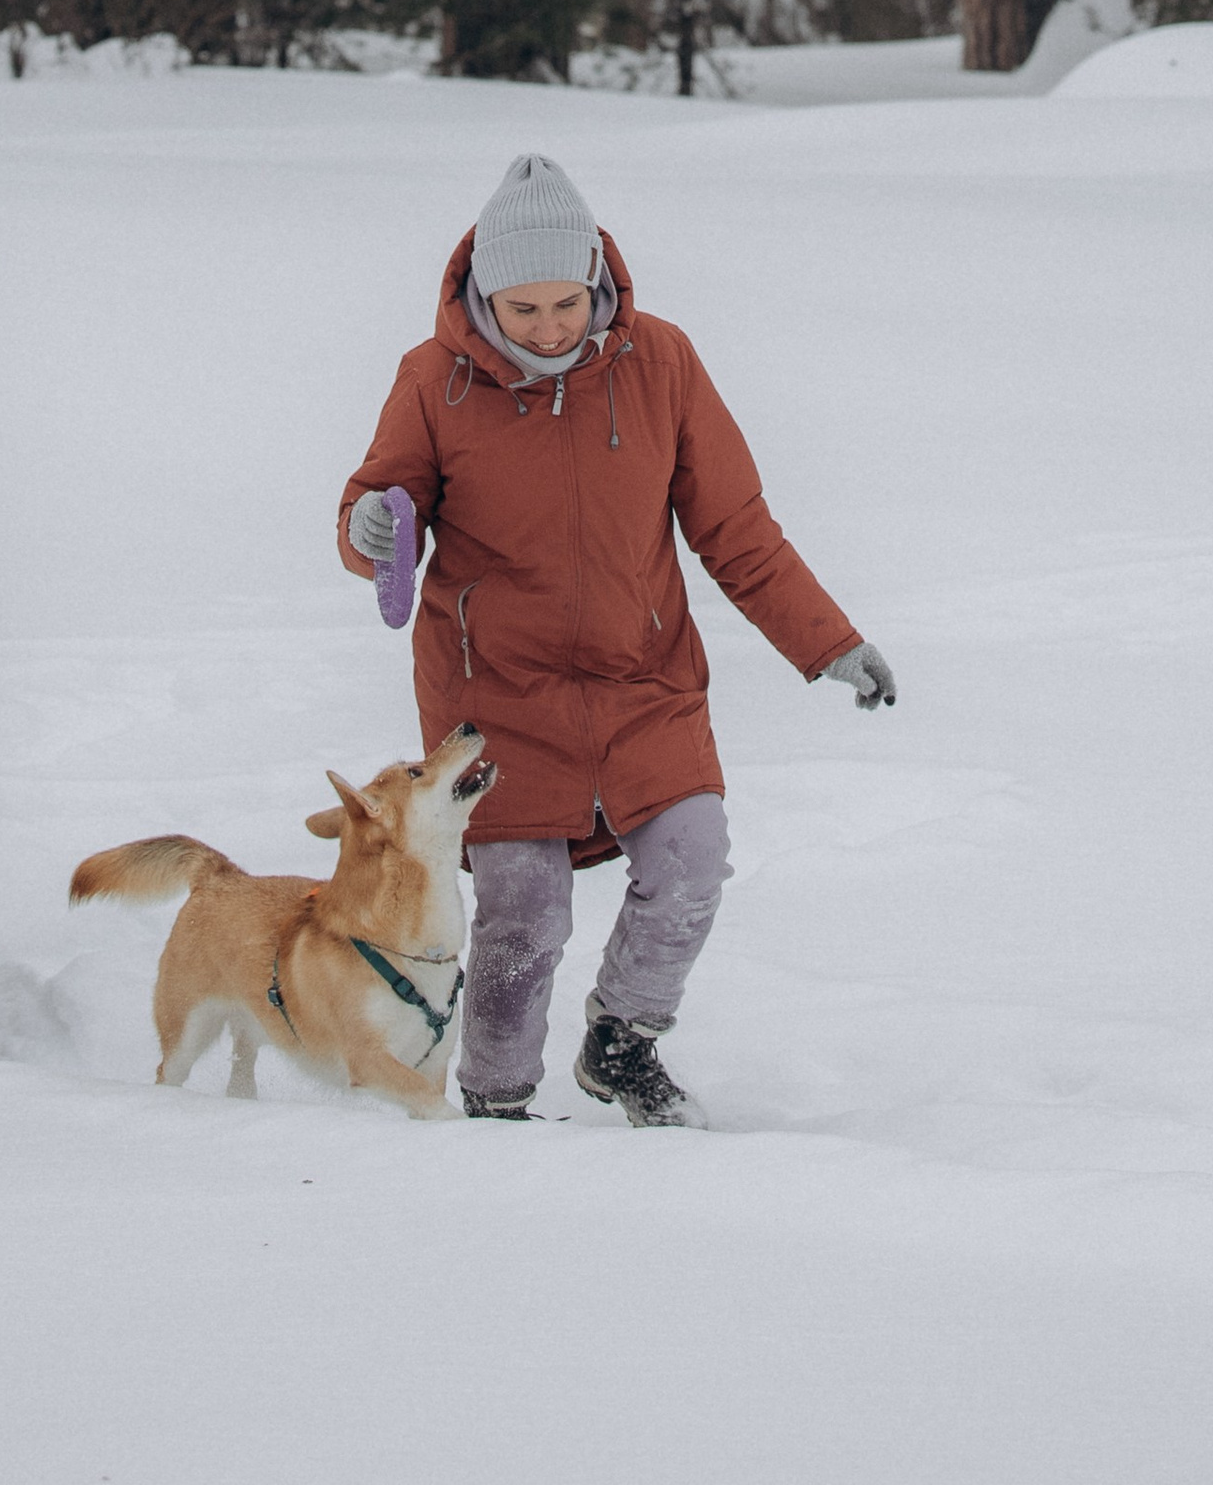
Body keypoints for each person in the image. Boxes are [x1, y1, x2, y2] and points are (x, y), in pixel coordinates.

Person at [338, 149, 893, 1127]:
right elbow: (386, 502)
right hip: (493, 700)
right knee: (523, 914)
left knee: (690, 860)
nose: (551, 329)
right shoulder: (433, 382)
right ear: (480, 297)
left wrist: (828, 644)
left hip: (643, 682)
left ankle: (621, 1041)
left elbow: (737, 527)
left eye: (569, 304)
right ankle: (496, 1100)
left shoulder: (662, 363)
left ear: (598, 279)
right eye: (523, 311)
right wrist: (370, 527)